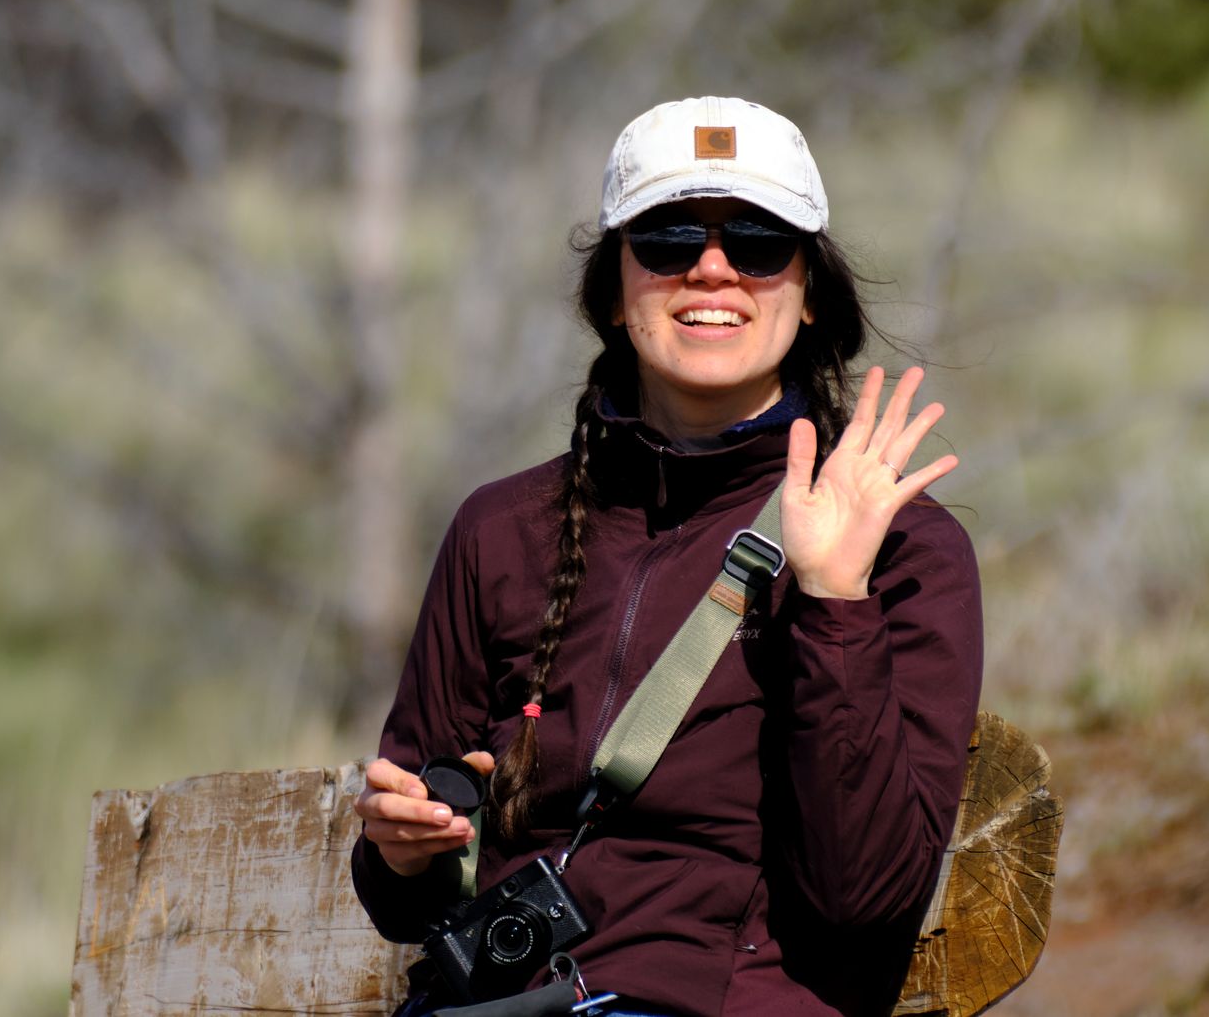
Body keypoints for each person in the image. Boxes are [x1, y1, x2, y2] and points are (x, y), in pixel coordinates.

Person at [350, 96, 984, 1017]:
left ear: (810, 293)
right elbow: (405, 888)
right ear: (615, 289)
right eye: (668, 238)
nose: (714, 269)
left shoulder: (904, 550)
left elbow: (865, 902)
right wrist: (402, 848)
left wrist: (836, 602)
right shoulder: (502, 530)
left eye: (762, 243)